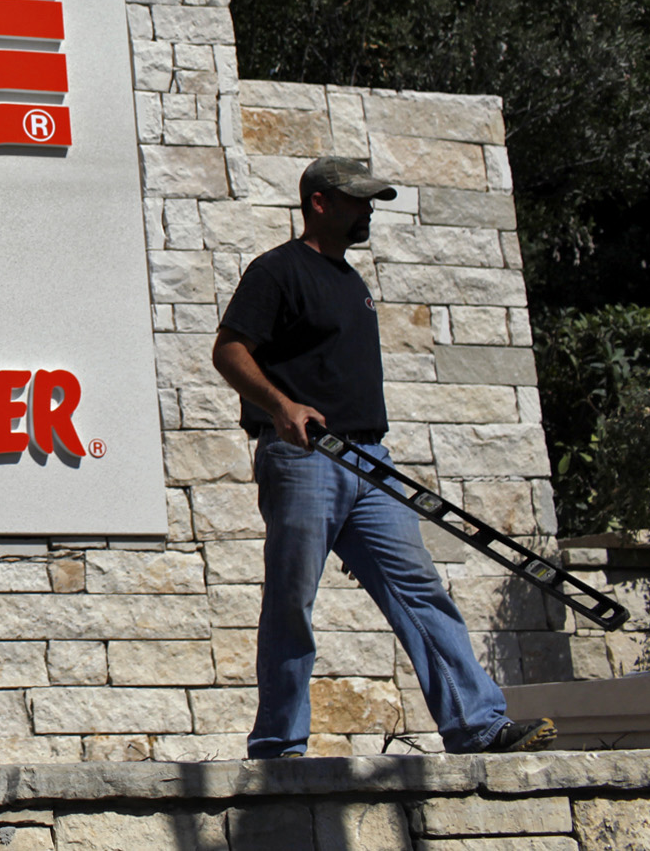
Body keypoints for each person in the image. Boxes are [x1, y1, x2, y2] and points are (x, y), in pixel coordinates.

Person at [211, 155, 556, 758]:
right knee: (293, 600)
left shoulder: (352, 282)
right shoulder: (277, 272)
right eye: (358, 200)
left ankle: (476, 725)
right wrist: (281, 406)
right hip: (305, 457)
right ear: (320, 202)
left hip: (370, 463)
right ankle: (278, 745)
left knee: (420, 589)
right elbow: (229, 352)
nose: (369, 210)